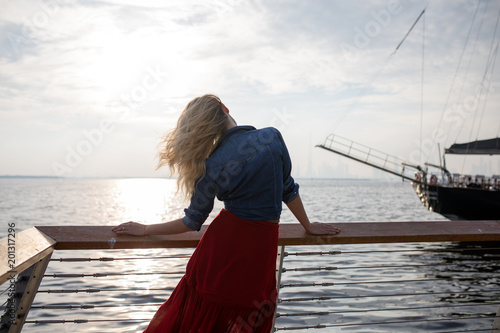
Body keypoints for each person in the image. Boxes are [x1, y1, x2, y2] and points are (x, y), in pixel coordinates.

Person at [112, 94, 340, 332]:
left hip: (220, 253)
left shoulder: (210, 164)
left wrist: (145, 229)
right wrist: (308, 225)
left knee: (204, 320)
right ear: (225, 108)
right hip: (259, 250)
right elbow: (287, 188)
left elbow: (192, 221)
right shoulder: (271, 137)